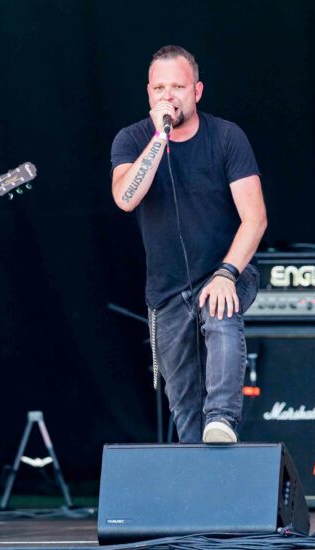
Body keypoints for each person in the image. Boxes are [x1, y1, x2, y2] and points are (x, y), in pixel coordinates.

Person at [110, 46, 267, 444]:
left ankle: (223, 417)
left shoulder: (226, 137)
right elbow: (126, 198)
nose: (168, 96)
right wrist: (160, 138)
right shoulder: (132, 139)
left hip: (226, 269)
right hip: (166, 291)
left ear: (197, 91)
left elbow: (255, 218)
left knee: (219, 310)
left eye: (178, 87)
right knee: (184, 409)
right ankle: (203, 466)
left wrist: (227, 273)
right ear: (149, 93)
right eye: (159, 88)